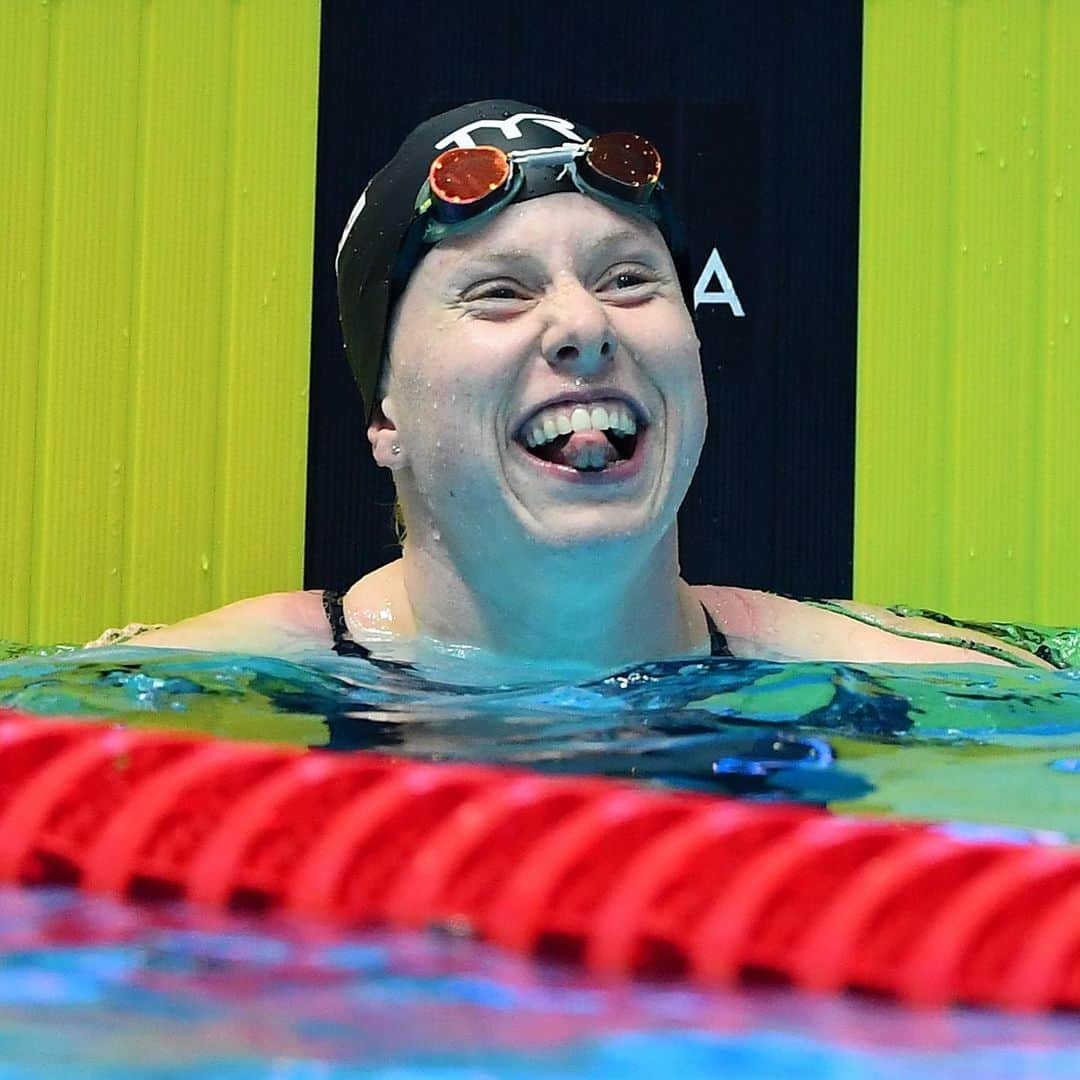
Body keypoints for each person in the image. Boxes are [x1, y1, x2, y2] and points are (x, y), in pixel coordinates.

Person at [121, 100, 1049, 675]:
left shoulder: (908, 684)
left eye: (627, 279)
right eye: (499, 291)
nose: (585, 325)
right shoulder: (199, 690)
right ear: (383, 414)